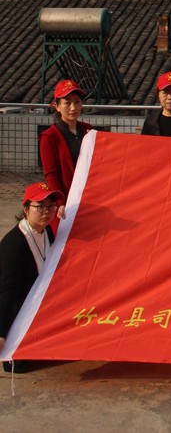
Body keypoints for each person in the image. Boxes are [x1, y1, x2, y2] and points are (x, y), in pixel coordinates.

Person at [0, 182, 62, 373]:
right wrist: (1, 332)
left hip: (38, 300)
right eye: (39, 206)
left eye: (50, 206)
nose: (46, 212)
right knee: (17, 365)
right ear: (26, 209)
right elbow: (7, 289)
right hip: (17, 305)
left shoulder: (46, 231)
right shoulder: (15, 244)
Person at [38, 80, 94, 210]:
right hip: (68, 196)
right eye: (67, 103)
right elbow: (51, 174)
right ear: (57, 106)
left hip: (89, 193)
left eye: (77, 102)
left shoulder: (88, 131)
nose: (73, 108)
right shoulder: (49, 137)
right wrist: (60, 202)